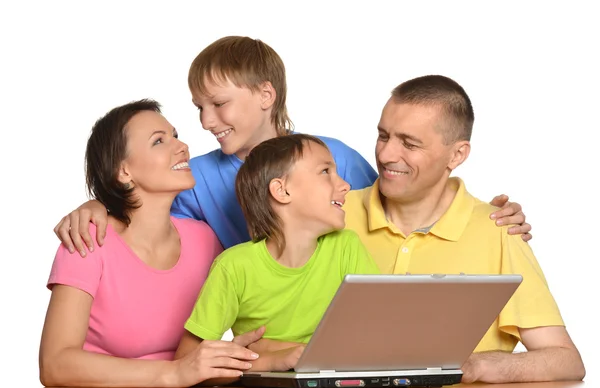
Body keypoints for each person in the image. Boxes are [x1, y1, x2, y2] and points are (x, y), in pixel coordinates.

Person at [51, 36, 531, 256]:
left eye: (218, 103)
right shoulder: (193, 179)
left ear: (266, 95)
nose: (205, 121)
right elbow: (142, 220)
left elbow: (402, 207)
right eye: (198, 107)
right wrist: (99, 205)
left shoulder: (336, 158)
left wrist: (487, 219)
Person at [341, 75, 586, 383]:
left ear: (457, 155)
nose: (387, 154)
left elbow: (566, 360)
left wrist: (477, 365)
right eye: (383, 136)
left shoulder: (499, 231)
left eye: (409, 143)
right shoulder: (332, 213)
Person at [38, 99, 262, 388]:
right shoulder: (87, 241)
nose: (181, 147)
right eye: (159, 141)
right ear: (123, 172)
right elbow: (55, 364)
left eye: (176, 136)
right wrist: (175, 373)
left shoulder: (205, 240)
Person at [174, 134, 381, 384]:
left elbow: (377, 339)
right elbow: (185, 362)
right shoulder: (234, 267)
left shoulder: (347, 247)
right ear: (282, 190)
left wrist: (276, 346)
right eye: (326, 171)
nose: (345, 185)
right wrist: (268, 360)